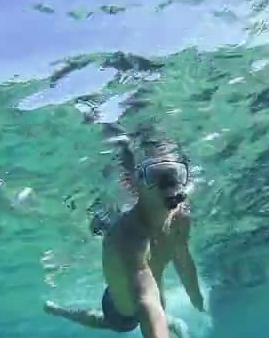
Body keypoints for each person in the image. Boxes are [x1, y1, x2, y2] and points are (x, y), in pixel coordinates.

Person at [43, 134, 204, 338]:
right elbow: (146, 302)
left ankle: (169, 322)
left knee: (159, 306)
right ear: (137, 184)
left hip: (149, 297)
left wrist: (195, 295)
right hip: (121, 308)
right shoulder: (128, 236)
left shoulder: (181, 221)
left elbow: (182, 256)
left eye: (176, 175)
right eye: (156, 176)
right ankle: (60, 311)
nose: (170, 188)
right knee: (110, 323)